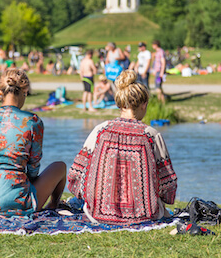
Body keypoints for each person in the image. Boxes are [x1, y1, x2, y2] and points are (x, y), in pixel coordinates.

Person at [67, 70, 177, 224]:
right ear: (144, 104)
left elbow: (75, 174)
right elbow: (168, 184)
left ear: (120, 103)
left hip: (97, 215)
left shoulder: (101, 130)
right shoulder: (151, 135)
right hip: (144, 216)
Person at [0, 69, 66, 216]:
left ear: (0, 93)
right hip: (16, 201)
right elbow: (33, 166)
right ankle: (53, 205)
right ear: (25, 92)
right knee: (60, 166)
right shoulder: (32, 121)